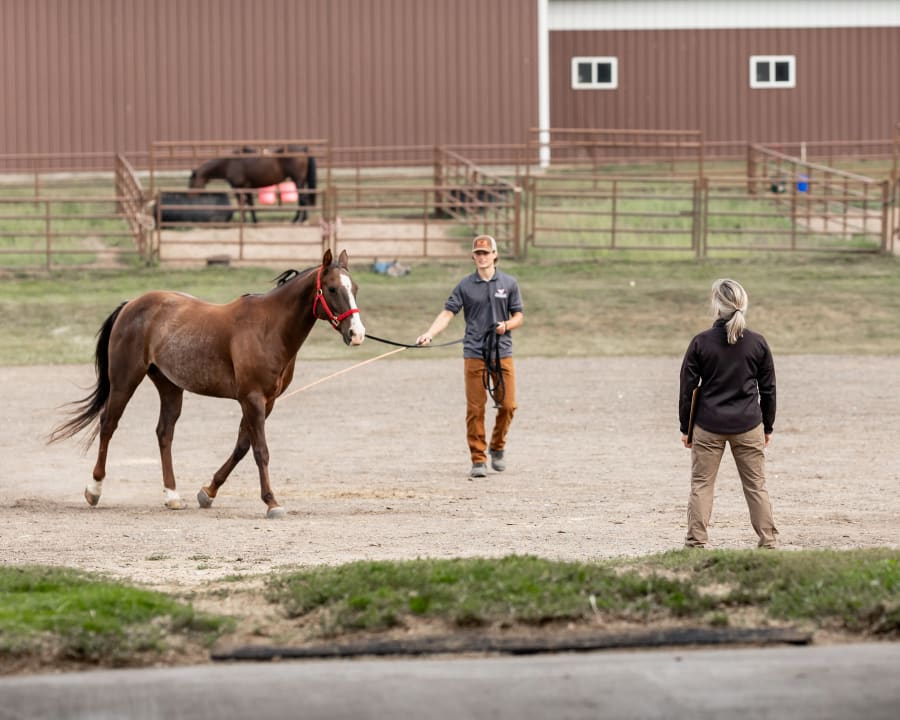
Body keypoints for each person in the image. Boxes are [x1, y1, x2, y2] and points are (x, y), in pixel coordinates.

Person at [679, 278, 778, 549]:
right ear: (743, 305)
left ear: (716, 305)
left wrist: (685, 429)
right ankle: (768, 541)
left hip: (707, 425)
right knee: (756, 486)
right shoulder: (758, 343)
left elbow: (688, 389)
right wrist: (767, 427)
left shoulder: (700, 342)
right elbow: (768, 390)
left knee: (702, 485)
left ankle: (695, 542)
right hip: (748, 425)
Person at [416, 234, 524, 478]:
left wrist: (506, 325)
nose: (482, 257)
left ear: (495, 255)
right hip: (474, 352)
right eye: (478, 253)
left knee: (508, 405)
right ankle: (478, 458)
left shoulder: (509, 283)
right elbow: (447, 314)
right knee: (476, 408)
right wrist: (429, 334)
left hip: (502, 351)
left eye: (486, 253)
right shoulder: (465, 286)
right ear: (473, 256)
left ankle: (498, 446)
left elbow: (519, 316)